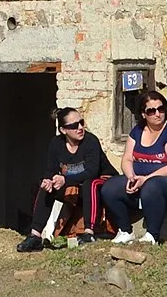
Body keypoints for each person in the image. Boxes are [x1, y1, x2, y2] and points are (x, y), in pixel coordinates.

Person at [97, 89, 167, 245]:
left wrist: (146, 179)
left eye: (161, 109)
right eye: (151, 111)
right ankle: (125, 230)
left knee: (152, 185)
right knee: (109, 187)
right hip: (141, 183)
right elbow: (127, 159)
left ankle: (152, 235)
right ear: (143, 114)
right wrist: (131, 177)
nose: (157, 114)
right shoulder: (137, 131)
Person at [17, 106, 110, 251]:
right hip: (77, 188)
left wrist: (65, 179)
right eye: (73, 126)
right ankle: (35, 235)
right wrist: (48, 181)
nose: (80, 128)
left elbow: (92, 172)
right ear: (63, 130)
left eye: (81, 122)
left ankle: (88, 233)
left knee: (89, 183)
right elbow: (51, 170)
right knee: (46, 187)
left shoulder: (90, 141)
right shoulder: (56, 144)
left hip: (102, 183)